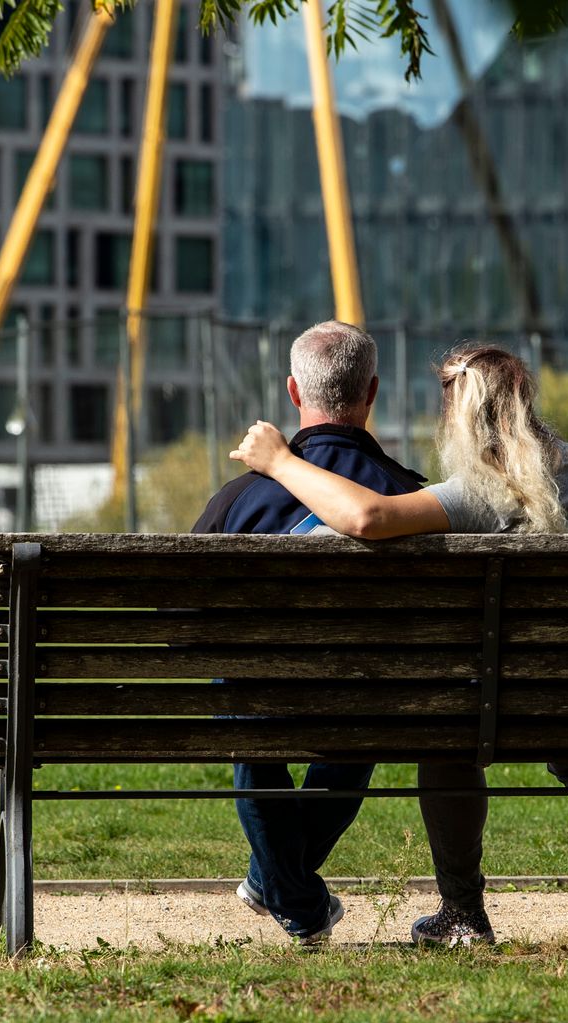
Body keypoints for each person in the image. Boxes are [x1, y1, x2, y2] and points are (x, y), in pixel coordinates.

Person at [229, 343, 568, 947]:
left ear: (459, 416)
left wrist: (278, 462)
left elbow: (367, 517)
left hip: (482, 713)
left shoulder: (474, 495)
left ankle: (464, 914)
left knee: (447, 738)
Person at [198, 320, 428, 946]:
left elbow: (183, 618)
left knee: (249, 713)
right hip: (366, 701)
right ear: (372, 391)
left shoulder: (239, 499)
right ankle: (282, 885)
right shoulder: (412, 497)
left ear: (295, 392)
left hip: (259, 704)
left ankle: (287, 891)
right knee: (365, 719)